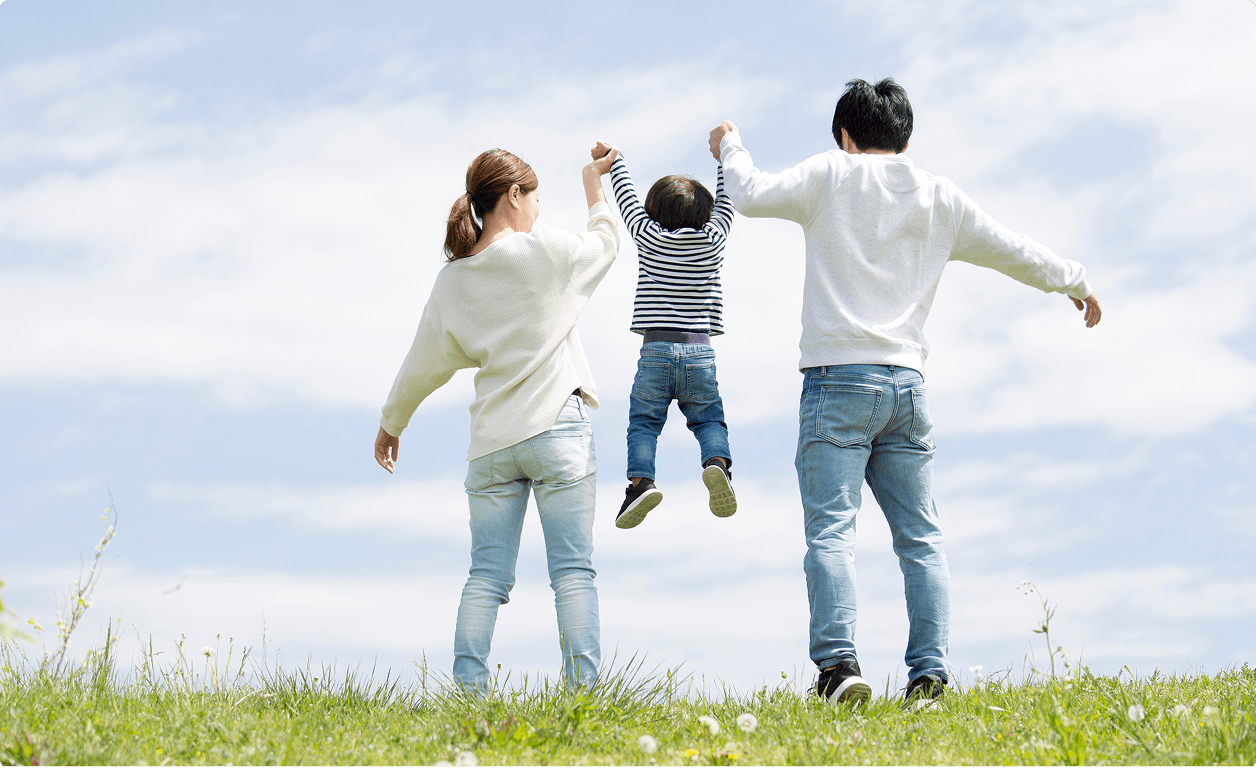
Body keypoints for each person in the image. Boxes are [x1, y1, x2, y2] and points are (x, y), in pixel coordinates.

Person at [708, 78, 1102, 706]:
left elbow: (748, 193)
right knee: (921, 538)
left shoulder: (831, 174)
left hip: (838, 381)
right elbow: (1012, 249)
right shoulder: (939, 195)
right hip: (907, 387)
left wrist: (730, 144)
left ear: (845, 136)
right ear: (906, 140)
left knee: (832, 532)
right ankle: (930, 677)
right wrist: (1073, 281)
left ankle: (838, 669)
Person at [373, 145, 620, 694]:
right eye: (534, 198)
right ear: (513, 195)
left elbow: (422, 363)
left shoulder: (452, 282)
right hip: (556, 426)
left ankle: (468, 692)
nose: (537, 209)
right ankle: (582, 694)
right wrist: (592, 185)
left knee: (485, 577)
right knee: (572, 572)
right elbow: (606, 244)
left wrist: (392, 424)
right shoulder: (544, 251)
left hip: (491, 443)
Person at [591, 141, 737, 530]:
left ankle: (641, 484)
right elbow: (728, 203)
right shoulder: (714, 240)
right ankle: (717, 463)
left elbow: (626, 200)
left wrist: (615, 161)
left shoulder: (648, 236)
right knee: (709, 418)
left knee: (644, 422)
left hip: (655, 349)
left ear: (655, 211)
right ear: (706, 214)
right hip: (699, 352)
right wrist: (725, 159)